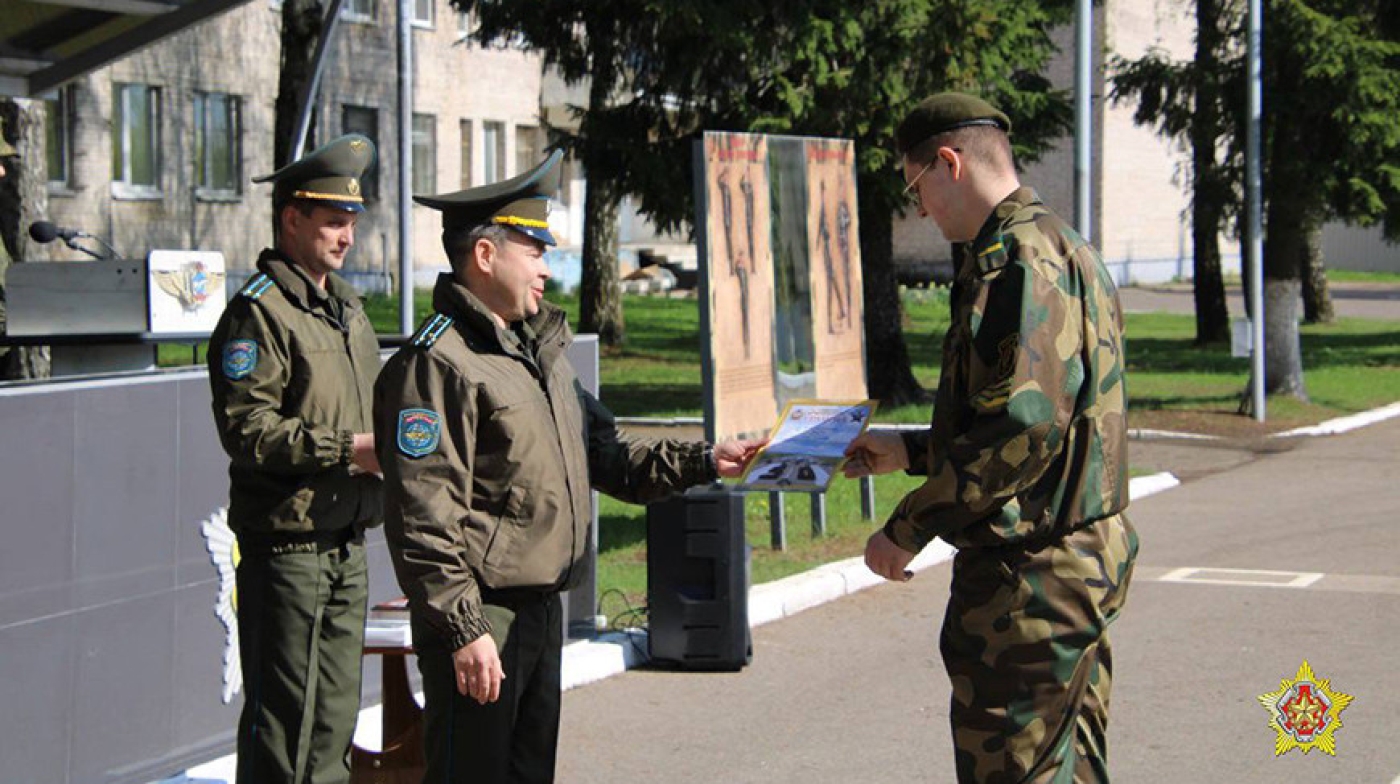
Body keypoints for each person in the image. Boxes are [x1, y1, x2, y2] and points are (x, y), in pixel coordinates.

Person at [374, 150, 765, 784]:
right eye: (533, 251)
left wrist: (704, 460)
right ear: (484, 256)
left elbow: (609, 454)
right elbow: (423, 516)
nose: (546, 269)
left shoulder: (540, 352)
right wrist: (464, 628)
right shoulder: (437, 365)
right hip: (484, 618)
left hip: (539, 611)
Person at [843, 93, 1139, 783]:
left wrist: (910, 525)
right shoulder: (1063, 245)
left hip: (1031, 579)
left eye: (916, 187)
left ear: (949, 163)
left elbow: (1024, 427)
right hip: (1075, 561)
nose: (920, 210)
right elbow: (1039, 415)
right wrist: (913, 450)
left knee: (1014, 769)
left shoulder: (1015, 263)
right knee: (1068, 769)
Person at [207, 134, 384, 784]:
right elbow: (247, 430)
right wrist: (350, 451)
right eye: (335, 221)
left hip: (346, 540)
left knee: (335, 725)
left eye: (352, 223)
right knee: (285, 729)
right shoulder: (259, 314)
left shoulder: (344, 309)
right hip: (289, 550)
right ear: (292, 218)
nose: (347, 238)